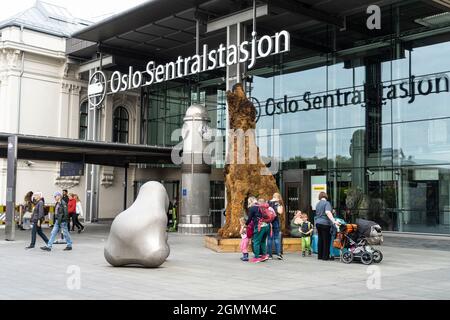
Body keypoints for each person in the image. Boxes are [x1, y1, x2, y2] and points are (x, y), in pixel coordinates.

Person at [315, 192, 340, 261]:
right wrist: (334, 221)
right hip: (325, 224)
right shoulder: (327, 203)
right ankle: (325, 257)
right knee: (326, 240)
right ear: (326, 196)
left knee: (320, 239)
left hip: (318, 223)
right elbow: (327, 212)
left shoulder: (317, 204)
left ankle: (319, 256)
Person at [246, 197, 270, 264]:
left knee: (256, 241)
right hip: (267, 226)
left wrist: (246, 224)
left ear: (250, 201)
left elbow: (249, 219)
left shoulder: (252, 208)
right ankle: (264, 255)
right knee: (263, 241)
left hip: (260, 226)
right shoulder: (261, 206)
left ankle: (256, 258)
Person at [267, 193, 284, 260]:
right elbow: (280, 212)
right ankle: (278, 254)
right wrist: (281, 207)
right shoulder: (277, 203)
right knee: (276, 238)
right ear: (278, 197)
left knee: (269, 239)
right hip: (275, 222)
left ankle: (270, 255)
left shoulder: (267, 202)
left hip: (268, 223)